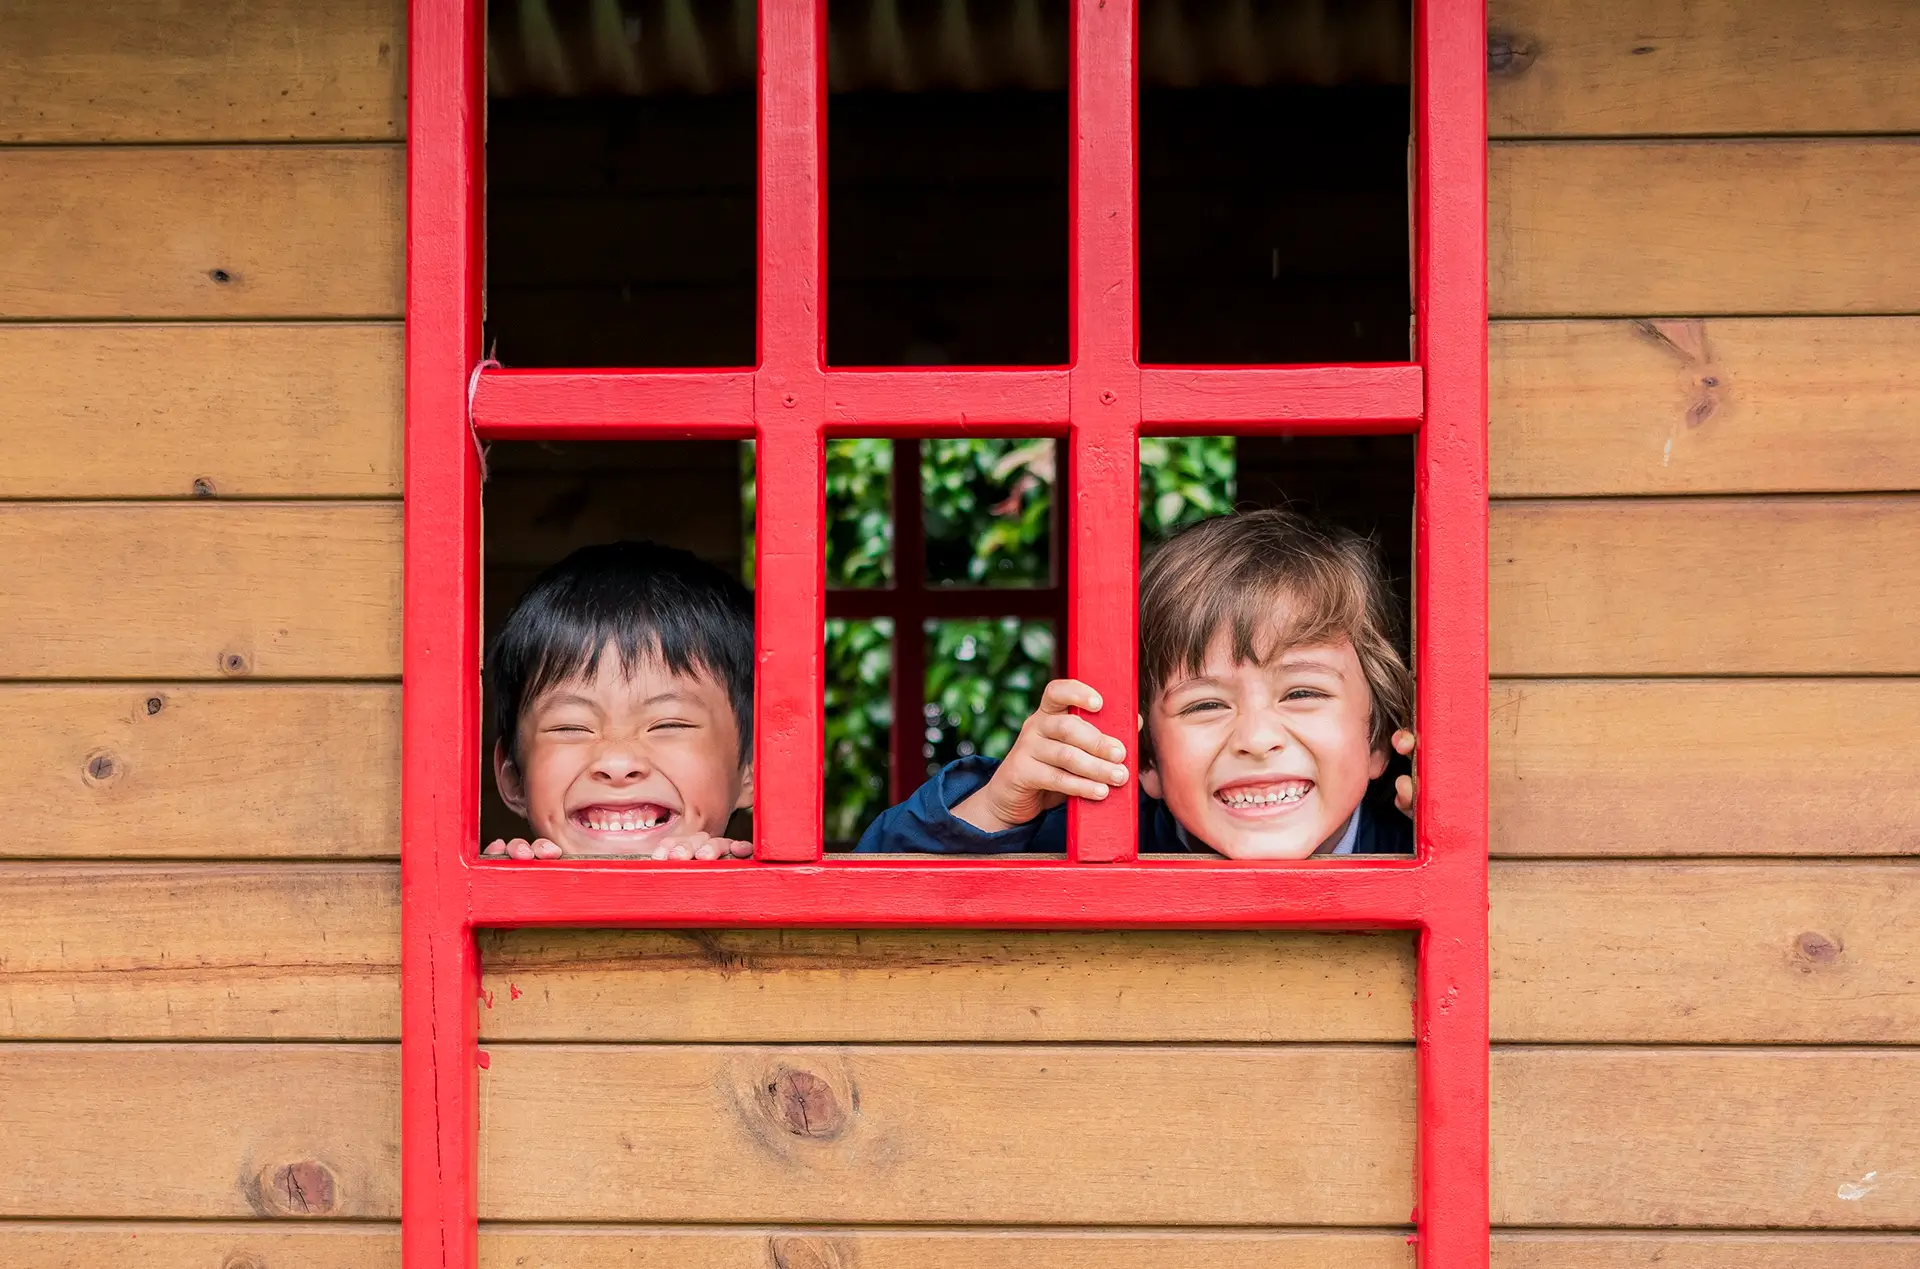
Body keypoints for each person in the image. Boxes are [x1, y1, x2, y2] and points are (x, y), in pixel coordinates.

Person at [856, 508, 1415, 858]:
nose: (1257, 737)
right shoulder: (1081, 841)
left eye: (1302, 693)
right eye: (1204, 704)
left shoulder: (1413, 837)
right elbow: (863, 893)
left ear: (1376, 737)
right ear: (1147, 759)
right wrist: (996, 812)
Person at [482, 541, 756, 861]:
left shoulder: (765, 909)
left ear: (751, 769)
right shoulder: (496, 902)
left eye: (668, 724)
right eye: (571, 727)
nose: (617, 764)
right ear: (512, 777)